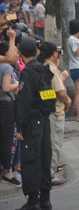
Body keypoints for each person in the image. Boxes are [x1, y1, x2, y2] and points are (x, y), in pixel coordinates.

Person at [14, 36, 56, 210]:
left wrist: (20, 126)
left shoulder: (27, 73)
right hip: (44, 119)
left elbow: (24, 102)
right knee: (45, 157)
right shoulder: (43, 70)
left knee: (31, 159)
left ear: (20, 53)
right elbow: (49, 95)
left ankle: (33, 200)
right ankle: (45, 199)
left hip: (32, 122)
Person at [38, 42, 71, 187]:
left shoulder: (40, 67)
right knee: (55, 144)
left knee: (47, 143)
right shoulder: (52, 69)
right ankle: (50, 175)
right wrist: (68, 101)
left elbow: (47, 92)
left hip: (44, 109)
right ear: (54, 54)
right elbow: (60, 92)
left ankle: (46, 173)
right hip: (56, 109)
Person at [0, 38, 20, 186]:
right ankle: (7, 171)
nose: (16, 54)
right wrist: (19, 83)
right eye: (13, 50)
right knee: (7, 140)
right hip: (6, 107)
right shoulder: (6, 68)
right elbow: (6, 88)